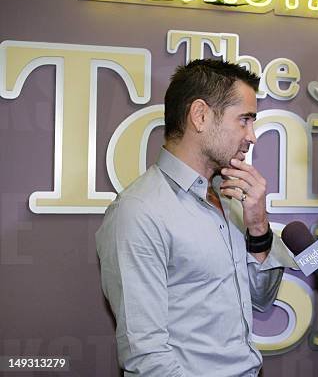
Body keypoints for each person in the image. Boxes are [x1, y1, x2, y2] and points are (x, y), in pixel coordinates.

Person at [96, 59, 294, 377]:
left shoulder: (230, 198)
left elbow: (261, 300)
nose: (252, 136)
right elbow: (146, 358)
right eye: (244, 120)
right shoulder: (138, 212)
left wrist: (258, 227)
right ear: (200, 116)